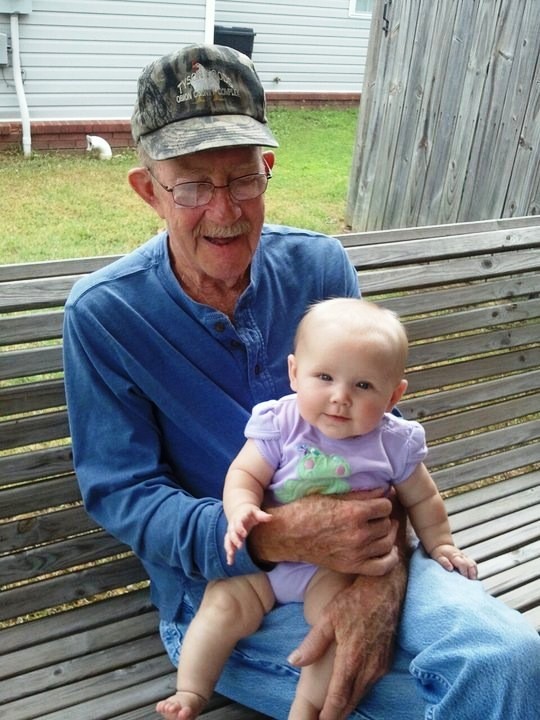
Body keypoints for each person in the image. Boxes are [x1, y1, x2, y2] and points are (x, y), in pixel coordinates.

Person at [63, 43, 540, 720]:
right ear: (148, 190)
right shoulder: (107, 315)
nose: (224, 210)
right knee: (481, 698)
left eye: (243, 178)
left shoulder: (320, 268)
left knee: (512, 661)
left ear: (268, 171)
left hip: (364, 561)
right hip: (228, 599)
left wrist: (380, 582)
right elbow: (124, 494)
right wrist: (270, 535)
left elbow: (376, 435)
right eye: (192, 186)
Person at [156, 298, 478, 720]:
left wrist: (442, 544)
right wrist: (242, 510)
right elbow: (244, 475)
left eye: (363, 386)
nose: (340, 397)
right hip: (265, 566)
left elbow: (423, 499)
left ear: (394, 395)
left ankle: (306, 709)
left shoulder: (393, 442)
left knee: (336, 628)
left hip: (332, 571)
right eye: (324, 377)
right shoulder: (282, 423)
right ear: (294, 373)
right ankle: (191, 691)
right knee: (221, 606)